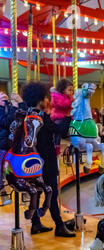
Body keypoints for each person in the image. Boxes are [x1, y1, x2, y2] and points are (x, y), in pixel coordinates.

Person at [21, 82, 75, 237]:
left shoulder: (28, 114)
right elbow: (61, 131)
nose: (48, 101)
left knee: (38, 190)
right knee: (52, 190)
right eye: (46, 98)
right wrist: (67, 116)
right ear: (41, 100)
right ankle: (59, 225)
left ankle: (36, 224)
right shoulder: (42, 117)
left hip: (32, 160)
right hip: (46, 158)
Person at [0, 92, 27, 204]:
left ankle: (23, 189)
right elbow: (6, 122)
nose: (2, 94)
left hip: (13, 144)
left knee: (17, 168)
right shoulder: (3, 110)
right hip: (2, 145)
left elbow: (24, 115)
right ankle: (3, 193)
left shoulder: (9, 107)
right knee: (2, 170)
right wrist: (14, 107)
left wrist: (20, 102)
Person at [50, 79, 74, 156]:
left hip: (66, 117)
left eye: (72, 90)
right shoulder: (57, 96)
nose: (71, 92)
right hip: (58, 117)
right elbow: (63, 104)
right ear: (63, 90)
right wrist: (72, 101)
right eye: (69, 90)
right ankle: (55, 147)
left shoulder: (67, 97)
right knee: (57, 133)